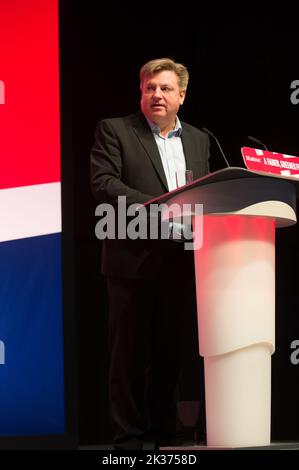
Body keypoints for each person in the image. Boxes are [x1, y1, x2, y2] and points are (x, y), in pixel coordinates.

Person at [90, 58, 210, 450]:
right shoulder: (116, 130)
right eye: (149, 88)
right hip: (133, 259)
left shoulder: (198, 139)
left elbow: (204, 191)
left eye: (165, 88)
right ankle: (128, 439)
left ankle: (164, 434)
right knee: (127, 356)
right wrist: (162, 206)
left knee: (168, 355)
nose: (156, 94)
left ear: (182, 96)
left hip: (180, 260)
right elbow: (105, 184)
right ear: (140, 92)